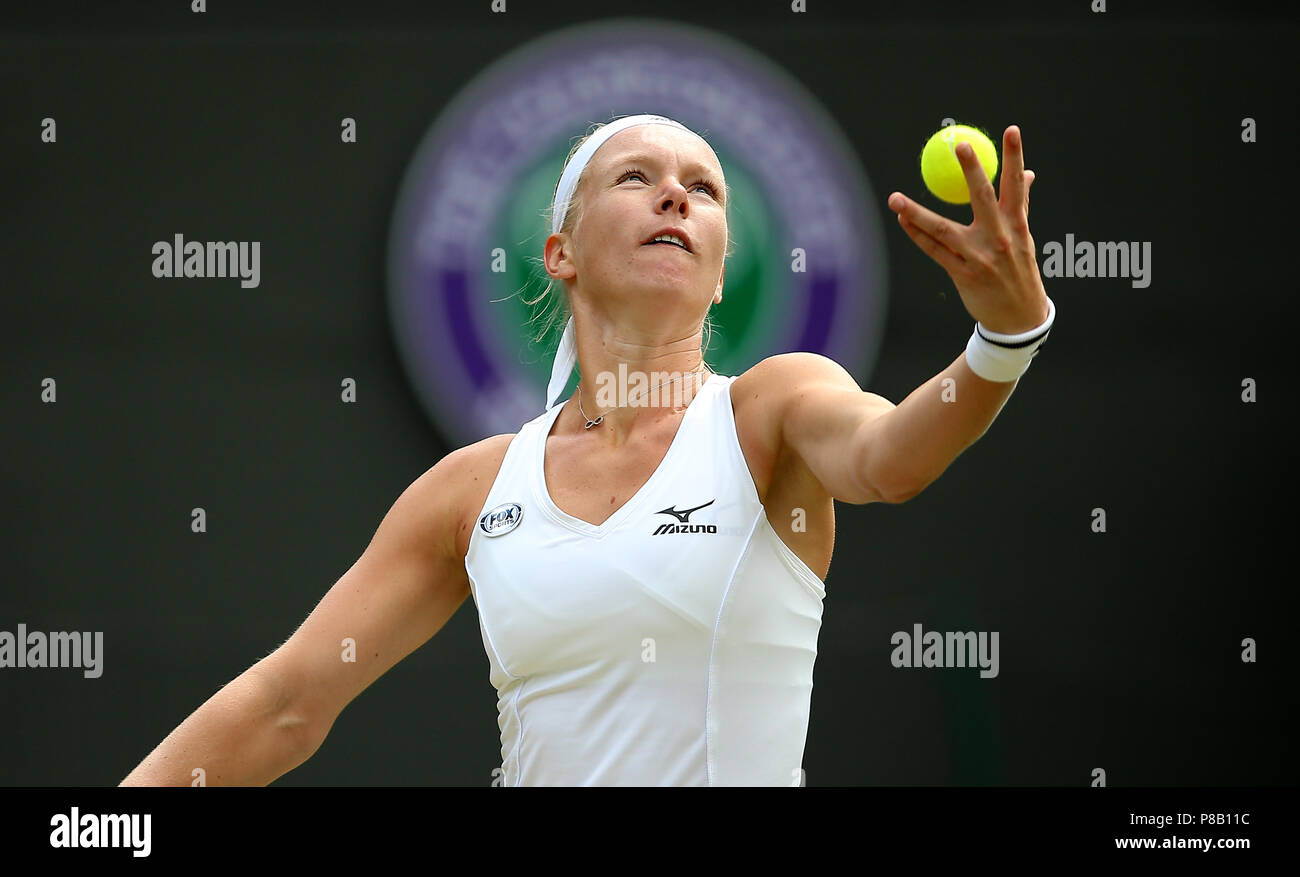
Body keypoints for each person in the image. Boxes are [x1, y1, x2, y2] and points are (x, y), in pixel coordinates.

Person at [120, 113, 1054, 787]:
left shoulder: (775, 407)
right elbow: (289, 701)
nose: (676, 194)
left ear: (723, 271)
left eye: (704, 187)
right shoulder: (471, 489)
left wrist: (1001, 343)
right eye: (636, 176)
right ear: (561, 253)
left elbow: (891, 457)